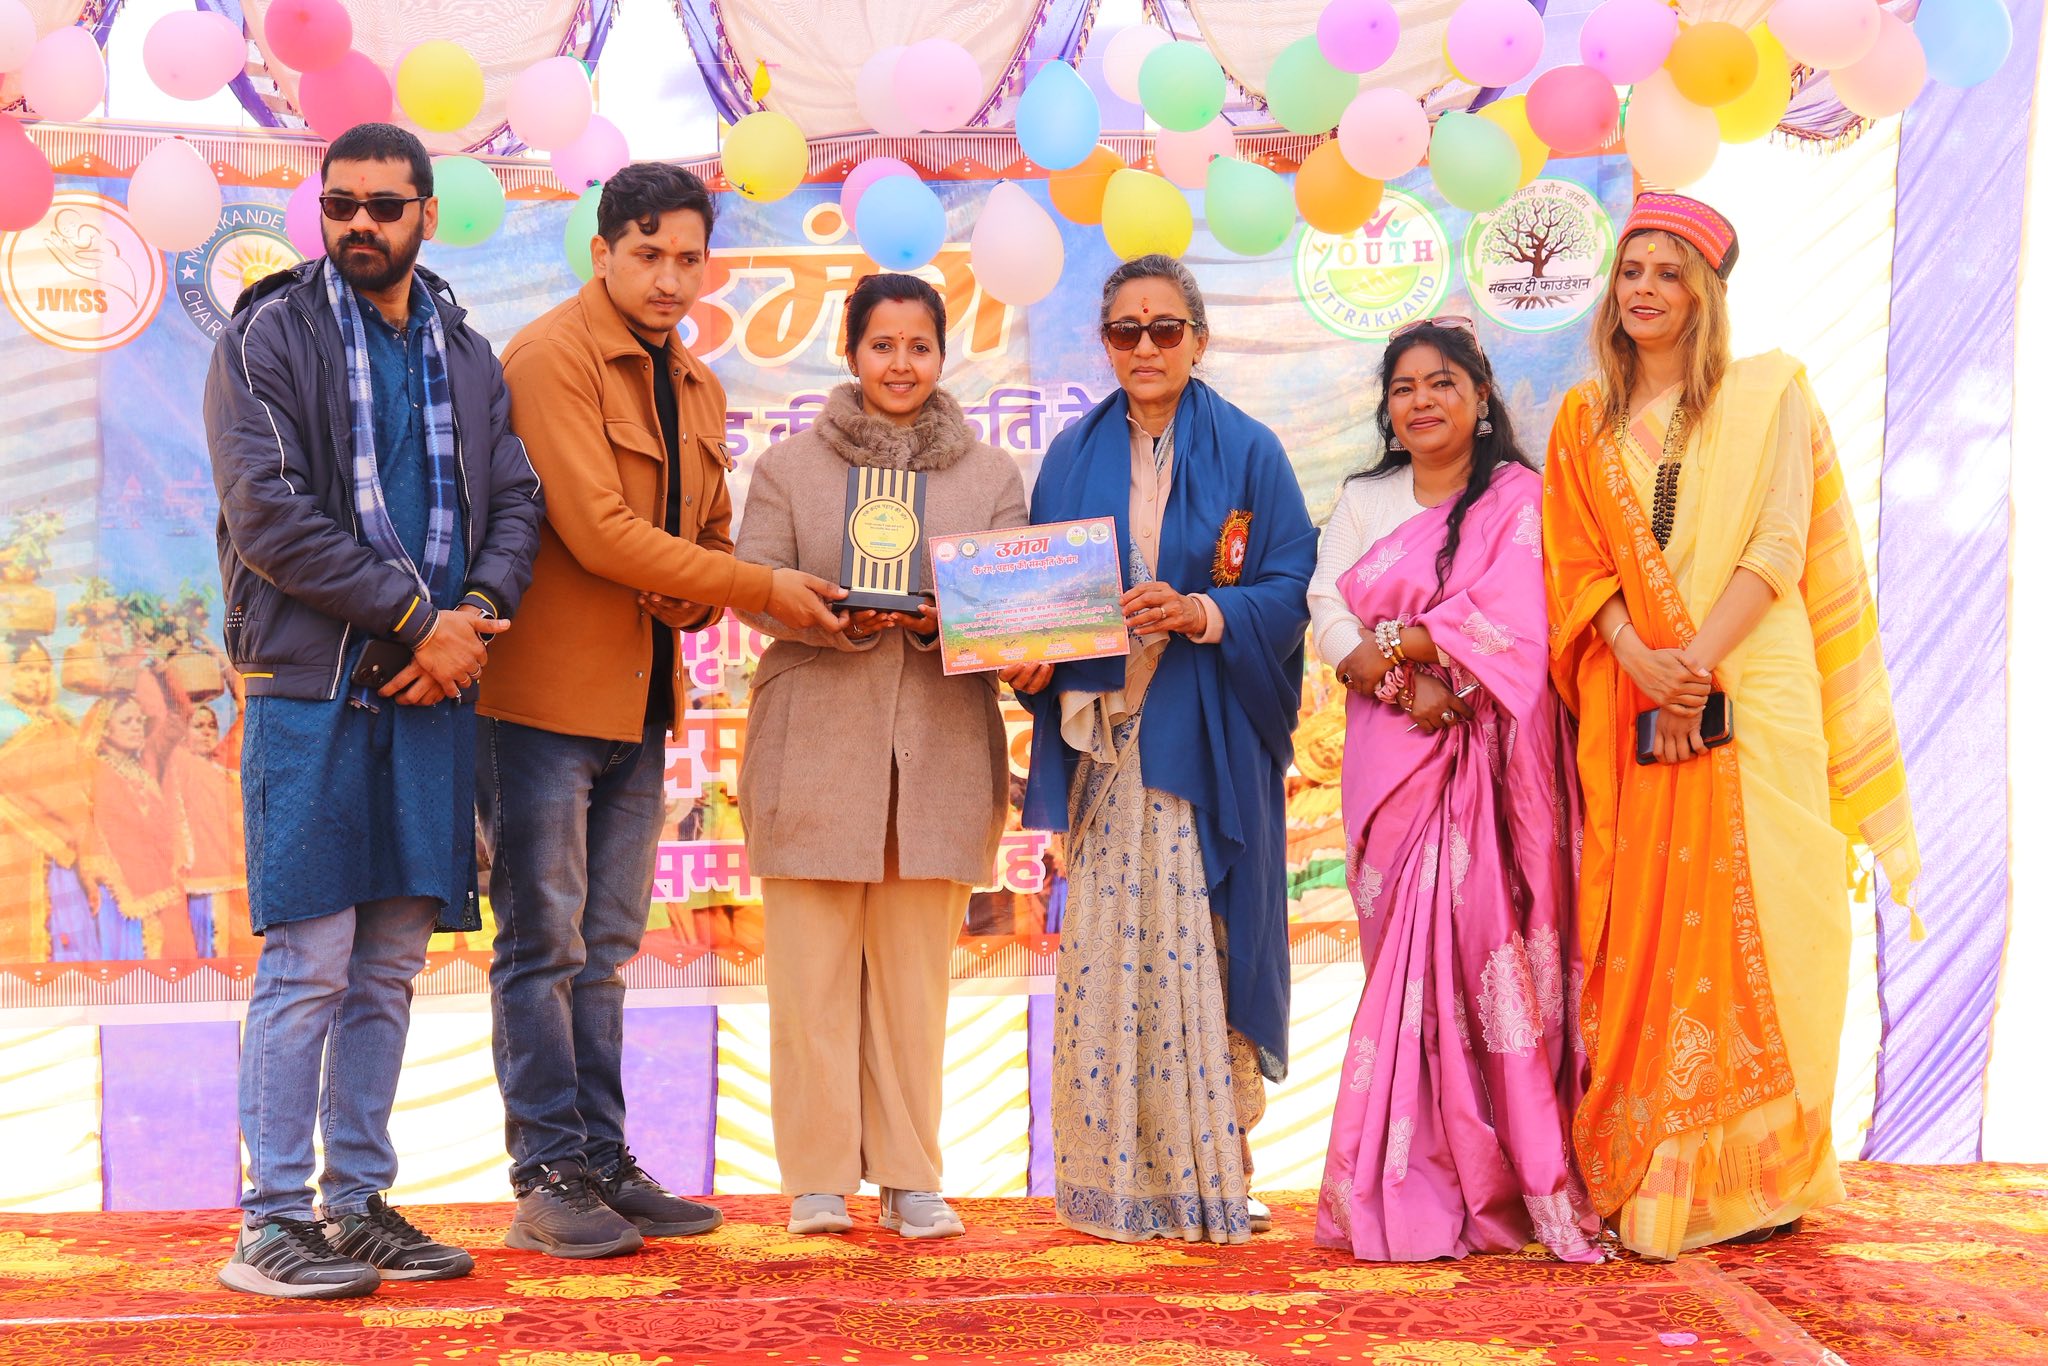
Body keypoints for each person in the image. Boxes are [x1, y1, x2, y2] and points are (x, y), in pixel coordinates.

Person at [477, 162, 844, 1259]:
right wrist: (752, 586)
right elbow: (598, 533)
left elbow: (704, 544)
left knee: (605, 945)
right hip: (539, 702)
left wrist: (700, 589)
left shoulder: (695, 384)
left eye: (689, 257)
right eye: (647, 255)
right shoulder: (548, 358)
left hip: (639, 701)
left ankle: (601, 1162)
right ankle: (546, 1176)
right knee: (541, 944)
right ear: (601, 253)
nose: (669, 277)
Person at [1542, 194, 1920, 1259]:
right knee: (1652, 926)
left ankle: (1764, 1176)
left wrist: (1694, 668)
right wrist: (1643, 663)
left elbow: (1778, 542)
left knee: (1785, 915)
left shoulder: (1768, 394)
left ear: (1705, 294)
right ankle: (1663, 1175)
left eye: (1668, 273)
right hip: (1638, 693)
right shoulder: (1582, 417)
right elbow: (1576, 565)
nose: (1645, 290)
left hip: (1753, 685)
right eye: (1631, 271)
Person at [203, 122, 542, 1298]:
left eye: (383, 205)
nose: (358, 223)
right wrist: (417, 620)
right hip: (313, 685)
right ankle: (270, 1220)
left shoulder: (465, 351)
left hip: (430, 687)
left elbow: (516, 503)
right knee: (312, 956)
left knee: (390, 958)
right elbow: (269, 515)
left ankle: (354, 1206)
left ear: (425, 215)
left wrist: (474, 617)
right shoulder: (268, 335)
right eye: (339, 203)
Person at [1019, 254, 1317, 1244]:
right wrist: (1029, 656)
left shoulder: (1250, 451)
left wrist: (1199, 611)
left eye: (1163, 328)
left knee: (1209, 939)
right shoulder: (1070, 457)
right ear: (1105, 344)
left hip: (1209, 735)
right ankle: (1112, 1178)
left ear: (1197, 338)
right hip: (1108, 740)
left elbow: (1290, 583)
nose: (1144, 346)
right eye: (1124, 330)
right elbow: (1034, 600)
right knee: (1113, 945)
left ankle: (1217, 1170)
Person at [735, 272, 1026, 1239]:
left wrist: (956, 620)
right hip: (813, 744)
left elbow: (1014, 607)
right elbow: (754, 586)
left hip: (939, 750)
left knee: (914, 979)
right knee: (809, 975)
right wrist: (822, 612)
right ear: (851, 353)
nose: (901, 364)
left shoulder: (990, 476)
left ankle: (911, 1175)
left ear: (943, 355)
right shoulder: (789, 468)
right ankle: (817, 1177)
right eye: (882, 345)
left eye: (919, 346)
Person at [1309, 320, 1599, 1263]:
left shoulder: (1519, 500)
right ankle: (1412, 1181)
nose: (1422, 401)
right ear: (1387, 410)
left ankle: (1509, 1178)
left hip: (1499, 752)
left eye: (1442, 383)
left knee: (1491, 956)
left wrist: (1405, 641)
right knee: (1406, 968)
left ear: (1480, 398)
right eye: (1403, 388)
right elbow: (1326, 608)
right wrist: (1400, 682)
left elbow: (1523, 614)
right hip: (1393, 752)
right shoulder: (1366, 499)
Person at [0, 639, 94, 961]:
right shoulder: (5, 719)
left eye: (43, 670)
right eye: (26, 669)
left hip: (61, 847)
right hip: (13, 838)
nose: (36, 678)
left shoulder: (59, 724)